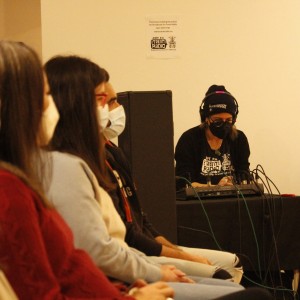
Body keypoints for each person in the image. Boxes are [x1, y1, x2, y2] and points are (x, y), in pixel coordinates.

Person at [44, 55, 245, 299]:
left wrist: (169, 258)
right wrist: (159, 271)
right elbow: (106, 248)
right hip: (120, 279)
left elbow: (136, 224)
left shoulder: (109, 153)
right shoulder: (68, 165)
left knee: (232, 276)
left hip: (131, 265)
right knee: (231, 287)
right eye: (103, 100)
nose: (113, 109)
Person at [0, 40, 174, 300]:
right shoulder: (11, 190)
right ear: (20, 106)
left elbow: (72, 266)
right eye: (45, 96)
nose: (51, 107)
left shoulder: (20, 179)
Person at [100, 75, 243, 283]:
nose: (118, 107)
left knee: (234, 262)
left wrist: (175, 250)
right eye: (111, 101)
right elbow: (128, 236)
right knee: (220, 275)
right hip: (128, 257)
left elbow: (141, 221)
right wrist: (182, 258)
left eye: (229, 121)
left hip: (139, 249)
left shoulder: (115, 153)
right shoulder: (92, 162)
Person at [175, 85, 250, 188]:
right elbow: (184, 184)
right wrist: (217, 187)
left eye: (228, 120)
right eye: (218, 121)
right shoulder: (189, 139)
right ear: (206, 118)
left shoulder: (239, 139)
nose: (224, 125)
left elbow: (244, 175)